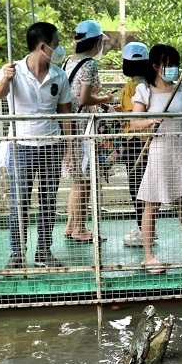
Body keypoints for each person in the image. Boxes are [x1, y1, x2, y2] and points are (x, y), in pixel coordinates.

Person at [0, 22, 73, 269]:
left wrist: (69, 148)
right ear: (43, 46)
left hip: (50, 145)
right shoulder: (13, 70)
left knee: (48, 201)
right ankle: (17, 254)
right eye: (56, 43)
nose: (59, 48)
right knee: (20, 201)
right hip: (21, 145)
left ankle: (43, 252)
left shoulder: (59, 75)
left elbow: (65, 113)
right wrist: (5, 79)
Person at [133, 43, 182, 273]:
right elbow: (134, 123)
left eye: (176, 64)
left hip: (180, 153)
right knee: (151, 205)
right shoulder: (144, 90)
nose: (173, 68)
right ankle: (148, 256)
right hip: (159, 153)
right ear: (156, 66)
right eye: (169, 64)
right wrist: (150, 121)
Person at [62, 20, 116, 243]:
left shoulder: (69, 61)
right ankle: (80, 229)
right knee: (83, 180)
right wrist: (106, 98)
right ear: (96, 42)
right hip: (83, 125)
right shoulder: (90, 65)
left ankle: (70, 225)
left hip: (70, 123)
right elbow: (84, 97)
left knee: (77, 179)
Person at [117, 42, 151, 246]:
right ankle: (146, 227)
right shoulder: (151, 84)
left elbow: (133, 116)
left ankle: (143, 230)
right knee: (148, 189)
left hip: (136, 141)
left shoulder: (131, 87)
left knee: (137, 187)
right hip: (151, 141)